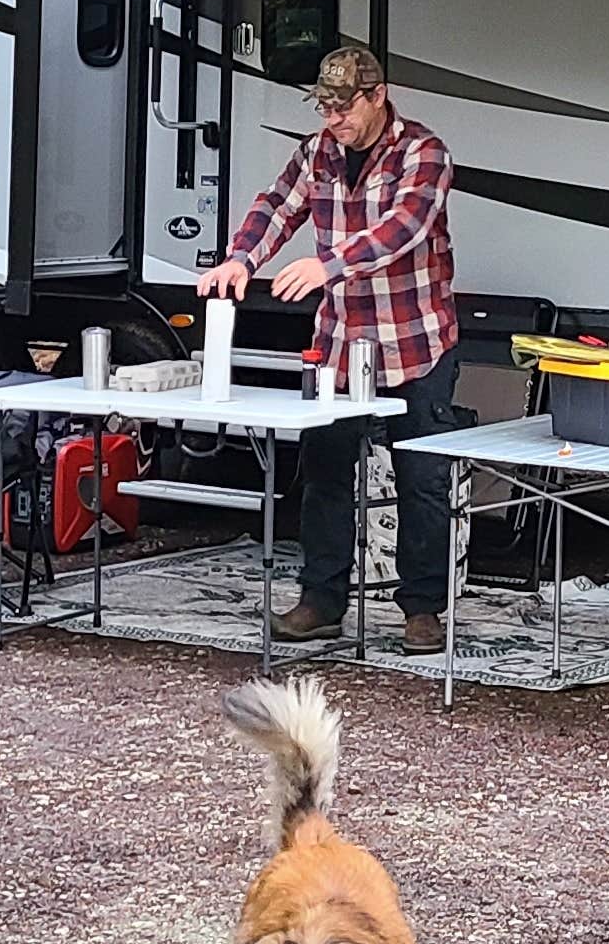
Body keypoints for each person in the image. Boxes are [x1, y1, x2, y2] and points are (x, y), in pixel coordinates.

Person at [198, 42, 463, 652]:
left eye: (344, 109)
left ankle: (422, 608)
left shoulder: (424, 152)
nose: (334, 121)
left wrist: (329, 266)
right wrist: (241, 258)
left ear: (378, 96)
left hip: (416, 338)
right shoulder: (318, 150)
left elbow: (404, 228)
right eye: (326, 109)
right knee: (323, 475)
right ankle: (321, 599)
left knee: (421, 476)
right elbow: (276, 205)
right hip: (339, 342)